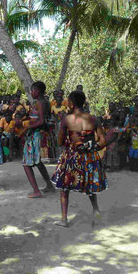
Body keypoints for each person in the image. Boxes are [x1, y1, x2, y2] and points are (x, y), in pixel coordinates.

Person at [52, 91, 107, 227]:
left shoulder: (66, 119)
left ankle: (64, 219)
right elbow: (103, 141)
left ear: (71, 103)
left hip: (72, 156)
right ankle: (96, 211)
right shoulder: (94, 119)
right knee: (90, 188)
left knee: (64, 188)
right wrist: (91, 147)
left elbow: (59, 141)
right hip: (89, 157)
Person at [17, 82, 56, 198]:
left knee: (26, 163)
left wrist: (26, 128)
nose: (31, 93)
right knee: (38, 162)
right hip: (38, 133)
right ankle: (49, 185)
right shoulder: (45, 102)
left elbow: (42, 121)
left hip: (36, 134)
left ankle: (36, 190)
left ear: (37, 91)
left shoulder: (40, 103)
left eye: (32, 90)